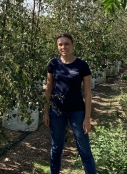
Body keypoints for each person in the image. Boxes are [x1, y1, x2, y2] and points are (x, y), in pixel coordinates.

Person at [43, 33, 96, 174]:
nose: (63, 47)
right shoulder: (53, 64)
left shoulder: (82, 65)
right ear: (57, 46)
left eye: (66, 44)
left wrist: (87, 118)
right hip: (56, 112)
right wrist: (46, 112)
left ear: (73, 45)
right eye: (60, 44)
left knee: (84, 148)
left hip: (77, 112)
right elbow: (48, 89)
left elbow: (87, 93)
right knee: (56, 147)